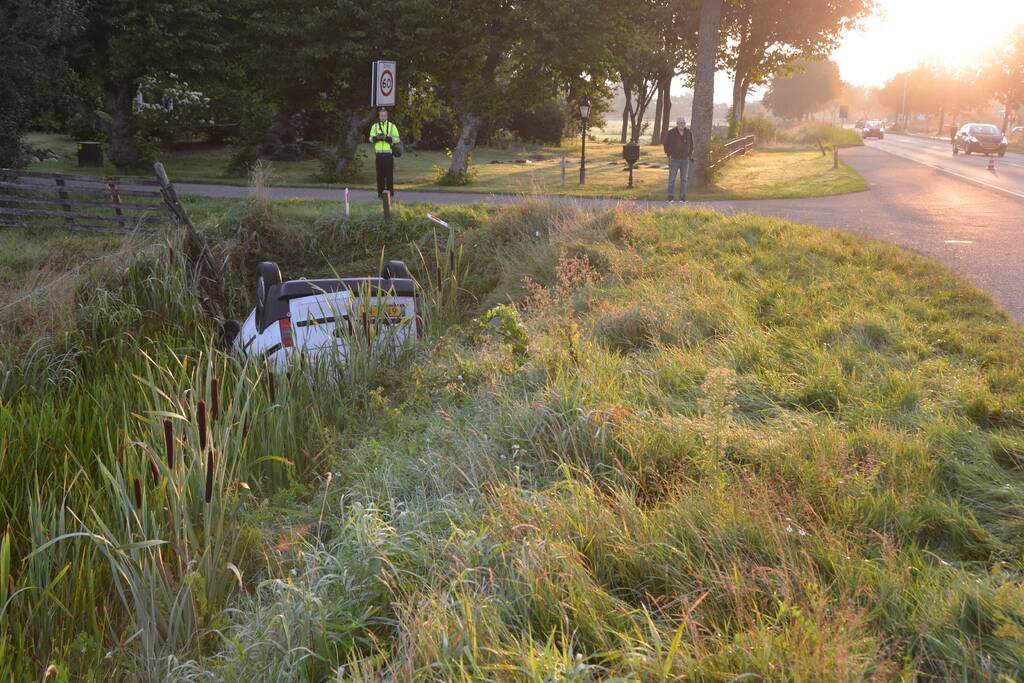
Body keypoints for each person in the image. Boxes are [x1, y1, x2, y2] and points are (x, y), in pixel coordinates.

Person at [369, 107, 401, 199]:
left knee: (389, 175)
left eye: (384, 115)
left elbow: (397, 139)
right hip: (379, 154)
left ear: (387, 116)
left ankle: (390, 194)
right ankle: (380, 194)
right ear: (379, 116)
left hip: (388, 154)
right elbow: (371, 139)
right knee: (380, 175)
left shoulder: (392, 126)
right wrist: (377, 138)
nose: (383, 117)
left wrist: (386, 138)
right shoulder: (374, 126)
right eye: (381, 116)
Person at [663, 115, 694, 202]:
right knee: (672, 179)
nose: (683, 124)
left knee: (684, 179)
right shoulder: (671, 133)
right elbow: (666, 145)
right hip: (674, 160)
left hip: (685, 160)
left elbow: (691, 145)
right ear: (677, 123)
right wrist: (669, 155)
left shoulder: (688, 133)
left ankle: (682, 198)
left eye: (684, 123)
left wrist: (689, 155)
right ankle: (670, 197)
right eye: (681, 123)